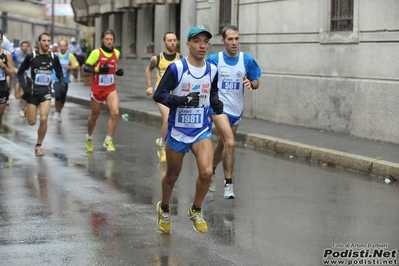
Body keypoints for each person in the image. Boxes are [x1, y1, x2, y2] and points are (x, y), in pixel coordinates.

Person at [153, 26, 224, 234]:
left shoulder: (212, 70)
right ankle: (164, 208)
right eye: (197, 41)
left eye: (205, 42)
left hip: (201, 129)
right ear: (188, 44)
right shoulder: (177, 68)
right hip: (178, 131)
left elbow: (212, 94)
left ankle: (196, 209)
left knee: (207, 171)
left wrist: (216, 103)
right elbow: (159, 95)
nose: (202, 46)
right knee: (173, 175)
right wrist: (179, 100)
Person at [206, 25, 262, 199]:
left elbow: (256, 81)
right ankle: (228, 184)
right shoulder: (214, 60)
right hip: (218, 108)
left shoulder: (247, 60)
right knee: (230, 142)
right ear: (223, 41)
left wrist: (251, 84)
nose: (234, 42)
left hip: (236, 110)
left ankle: (210, 173)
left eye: (237, 38)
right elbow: (201, 74)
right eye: (230, 39)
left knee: (223, 144)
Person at [17, 32, 65, 156]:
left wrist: (62, 84)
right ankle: (28, 112)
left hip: (46, 92)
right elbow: (20, 72)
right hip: (32, 92)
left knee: (44, 119)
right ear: (39, 42)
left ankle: (39, 145)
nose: (46, 43)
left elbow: (60, 73)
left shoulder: (53, 57)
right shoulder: (31, 56)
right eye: (44, 40)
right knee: (32, 122)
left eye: (49, 41)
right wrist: (25, 88)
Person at [83, 29, 124, 152]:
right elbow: (86, 67)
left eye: (111, 39)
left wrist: (117, 71)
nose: (109, 41)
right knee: (94, 116)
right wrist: (98, 69)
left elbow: (112, 68)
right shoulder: (96, 53)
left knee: (115, 113)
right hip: (97, 89)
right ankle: (89, 136)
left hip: (110, 88)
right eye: (107, 39)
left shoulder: (116, 53)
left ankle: (108, 139)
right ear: (102, 40)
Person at [145, 31, 182, 163]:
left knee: (174, 121)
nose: (172, 42)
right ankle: (165, 148)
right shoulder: (157, 59)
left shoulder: (181, 58)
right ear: (164, 42)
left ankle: (162, 141)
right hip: (161, 94)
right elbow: (148, 70)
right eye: (170, 40)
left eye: (174, 40)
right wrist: (149, 86)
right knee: (167, 119)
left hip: (175, 94)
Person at [51, 40, 79, 122]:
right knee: (58, 94)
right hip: (56, 79)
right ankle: (56, 112)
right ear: (59, 47)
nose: (62, 48)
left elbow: (76, 66)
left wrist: (69, 67)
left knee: (63, 97)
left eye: (64, 46)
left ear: (67, 47)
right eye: (61, 46)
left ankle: (58, 112)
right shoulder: (55, 55)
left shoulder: (70, 56)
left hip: (65, 80)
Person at [0, 30, 15, 124]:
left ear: (1, 40)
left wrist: (3, 66)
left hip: (2, 87)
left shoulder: (7, 54)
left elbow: (12, 73)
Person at [13, 40, 30, 117]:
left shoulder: (30, 55)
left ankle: (22, 109)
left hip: (26, 76)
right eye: (23, 46)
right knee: (17, 96)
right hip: (17, 76)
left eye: (27, 46)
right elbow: (10, 64)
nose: (25, 48)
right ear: (21, 46)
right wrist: (14, 69)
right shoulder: (16, 54)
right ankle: (21, 97)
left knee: (26, 93)